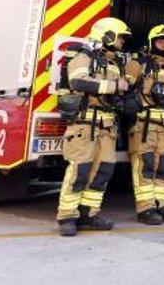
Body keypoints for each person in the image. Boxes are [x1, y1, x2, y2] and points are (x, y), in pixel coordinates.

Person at [55, 17, 131, 237]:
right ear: (107, 35)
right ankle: (67, 216)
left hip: (107, 126)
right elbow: (78, 81)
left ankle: (90, 213)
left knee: (103, 171)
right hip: (84, 124)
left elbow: (120, 93)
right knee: (80, 170)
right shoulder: (84, 55)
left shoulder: (115, 63)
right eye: (120, 37)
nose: (123, 42)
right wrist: (114, 86)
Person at [124, 24, 164, 225]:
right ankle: (145, 208)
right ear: (152, 42)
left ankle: (161, 204)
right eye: (160, 40)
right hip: (144, 125)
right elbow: (125, 90)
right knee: (145, 166)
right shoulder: (138, 63)